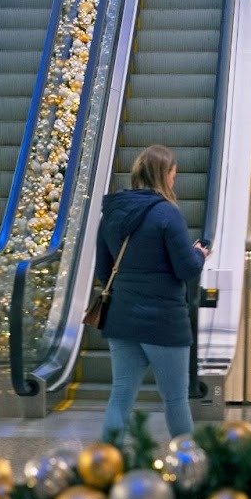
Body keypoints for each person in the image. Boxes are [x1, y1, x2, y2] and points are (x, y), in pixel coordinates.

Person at [93, 144, 207, 441]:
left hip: (122, 318)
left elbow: (104, 272)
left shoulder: (112, 214)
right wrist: (200, 255)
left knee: (120, 397)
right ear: (165, 175)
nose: (173, 181)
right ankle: (187, 465)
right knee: (175, 399)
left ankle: (106, 464)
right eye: (173, 174)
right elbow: (187, 270)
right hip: (164, 322)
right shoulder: (167, 214)